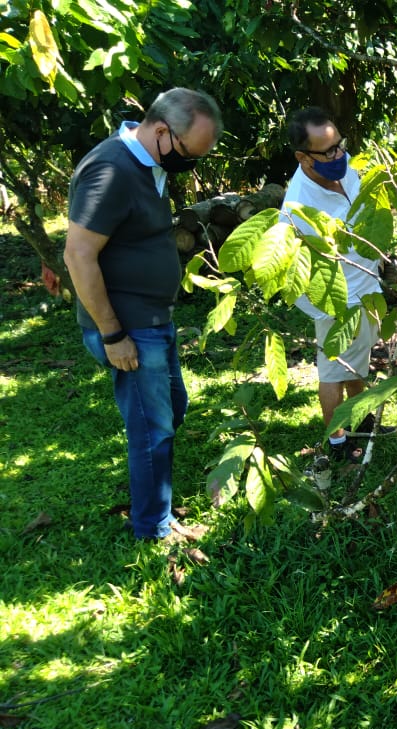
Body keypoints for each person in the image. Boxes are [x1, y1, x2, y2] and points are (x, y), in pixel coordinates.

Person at [64, 88, 222, 542]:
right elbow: (78, 255)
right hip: (128, 326)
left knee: (172, 410)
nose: (189, 165)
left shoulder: (150, 161)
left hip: (154, 318)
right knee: (153, 428)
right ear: (159, 131)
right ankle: (153, 526)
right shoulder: (111, 169)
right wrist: (113, 335)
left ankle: (156, 497)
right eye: (189, 154)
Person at [281, 107, 382, 461]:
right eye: (328, 152)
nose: (339, 155)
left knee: (358, 360)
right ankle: (337, 441)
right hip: (337, 295)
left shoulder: (345, 162)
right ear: (302, 157)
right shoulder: (297, 205)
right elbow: (294, 267)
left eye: (340, 145)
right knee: (333, 370)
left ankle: (363, 420)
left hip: (367, 283)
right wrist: (328, 306)